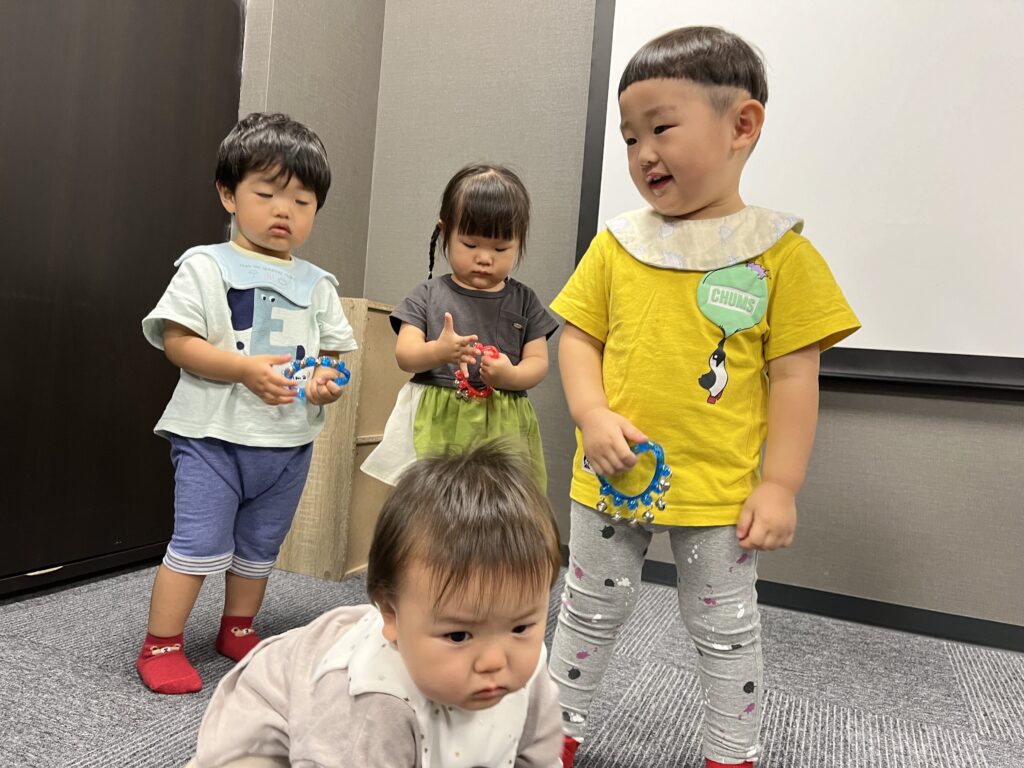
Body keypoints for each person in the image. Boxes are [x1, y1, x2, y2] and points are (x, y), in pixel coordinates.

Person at [548, 26, 861, 768]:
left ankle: (731, 751)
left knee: (725, 630)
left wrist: (780, 485)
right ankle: (549, 736)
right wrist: (591, 414)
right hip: (610, 474)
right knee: (586, 613)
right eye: (630, 137)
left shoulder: (780, 254)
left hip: (722, 493)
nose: (642, 153)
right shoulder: (618, 243)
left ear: (742, 125)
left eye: (661, 128)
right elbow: (578, 339)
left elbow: (796, 378)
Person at [138, 112, 358, 695]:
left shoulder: (319, 284)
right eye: (267, 195)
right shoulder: (206, 265)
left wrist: (328, 381)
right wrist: (241, 369)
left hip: (287, 443)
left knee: (260, 547)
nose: (285, 211)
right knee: (196, 545)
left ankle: (238, 628)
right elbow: (177, 342)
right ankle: (161, 643)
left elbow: (334, 354)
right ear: (228, 194)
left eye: (303, 202)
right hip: (213, 438)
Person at [187, 442, 564, 768]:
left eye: (520, 627)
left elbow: (539, 755)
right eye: (459, 635)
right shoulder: (374, 702)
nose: (494, 661)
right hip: (268, 731)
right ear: (391, 615)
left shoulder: (529, 668)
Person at [360, 163, 559, 490]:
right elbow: (405, 355)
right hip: (438, 423)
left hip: (502, 427)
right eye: (470, 244)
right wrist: (439, 351)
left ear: (518, 241)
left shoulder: (524, 300)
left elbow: (538, 363)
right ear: (445, 232)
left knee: (500, 504)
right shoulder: (428, 294)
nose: (485, 258)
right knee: (434, 501)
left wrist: (510, 376)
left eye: (500, 248)